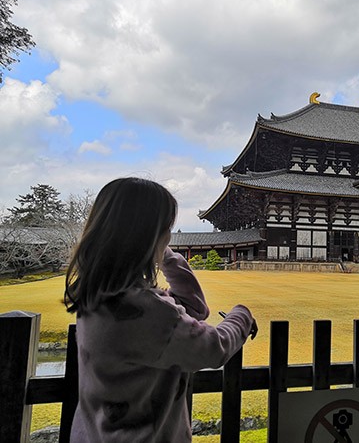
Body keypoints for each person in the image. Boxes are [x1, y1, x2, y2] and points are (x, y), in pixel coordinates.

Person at [64, 178, 257, 442]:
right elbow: (215, 348)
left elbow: (193, 308)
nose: (168, 237)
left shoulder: (97, 298)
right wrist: (241, 316)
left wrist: (163, 253)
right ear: (149, 236)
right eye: (166, 229)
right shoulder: (145, 312)